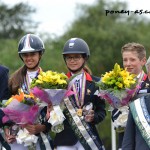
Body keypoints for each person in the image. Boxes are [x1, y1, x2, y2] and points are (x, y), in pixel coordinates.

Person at [53, 37, 106, 150]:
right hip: (64, 140)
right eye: (69, 57)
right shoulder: (56, 83)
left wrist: (94, 117)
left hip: (89, 138)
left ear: (85, 58)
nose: (72, 60)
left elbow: (102, 111)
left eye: (77, 57)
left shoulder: (97, 83)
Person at [4, 34, 53, 150]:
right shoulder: (13, 79)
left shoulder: (49, 80)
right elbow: (6, 107)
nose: (29, 58)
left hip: (41, 135)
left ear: (40, 54)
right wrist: (6, 128)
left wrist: (42, 127)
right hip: (19, 137)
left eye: (33, 54)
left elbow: (55, 111)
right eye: (25, 55)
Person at [112, 42, 150, 150]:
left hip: (144, 140)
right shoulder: (116, 85)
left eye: (132, 60)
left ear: (143, 61)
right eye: (125, 60)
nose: (128, 64)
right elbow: (113, 112)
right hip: (124, 139)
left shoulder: (148, 82)